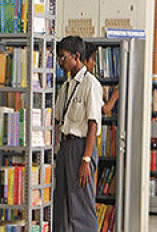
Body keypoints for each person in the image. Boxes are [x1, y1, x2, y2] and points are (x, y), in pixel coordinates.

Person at [54, 36, 102, 232]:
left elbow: (93, 125)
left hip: (81, 148)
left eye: (63, 57)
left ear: (77, 56)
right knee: (62, 204)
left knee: (81, 206)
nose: (60, 62)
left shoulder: (91, 84)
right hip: (65, 147)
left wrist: (85, 159)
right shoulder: (66, 87)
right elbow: (58, 120)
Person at [82, 42, 119, 116]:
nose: (94, 64)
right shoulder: (91, 82)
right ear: (85, 61)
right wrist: (115, 95)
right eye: (92, 59)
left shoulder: (71, 81)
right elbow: (104, 110)